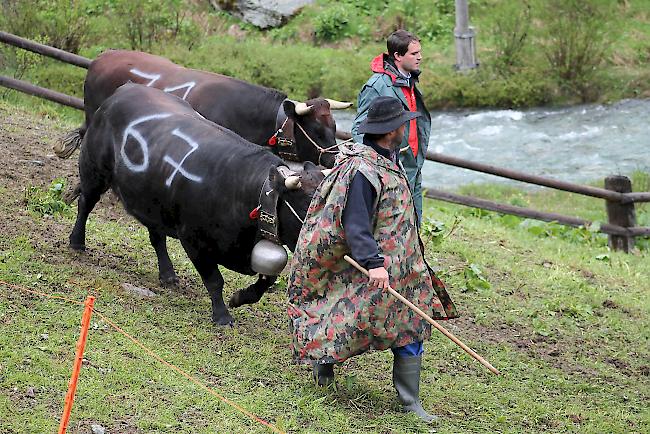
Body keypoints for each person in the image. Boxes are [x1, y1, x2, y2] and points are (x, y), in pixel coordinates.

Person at [288, 96, 457, 423]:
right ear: (390, 130)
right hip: (375, 266)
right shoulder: (363, 171)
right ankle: (323, 366)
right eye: (403, 123)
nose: (407, 127)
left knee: (411, 324)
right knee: (344, 316)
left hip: (406, 270)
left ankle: (410, 401)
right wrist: (374, 264)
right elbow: (354, 223)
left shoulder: (387, 159)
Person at [352, 29, 431, 224]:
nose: (420, 57)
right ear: (397, 55)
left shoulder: (409, 79)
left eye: (419, 52)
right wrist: (376, 167)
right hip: (391, 166)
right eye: (414, 53)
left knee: (414, 218)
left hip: (412, 163)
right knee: (390, 222)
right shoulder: (377, 86)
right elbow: (359, 130)